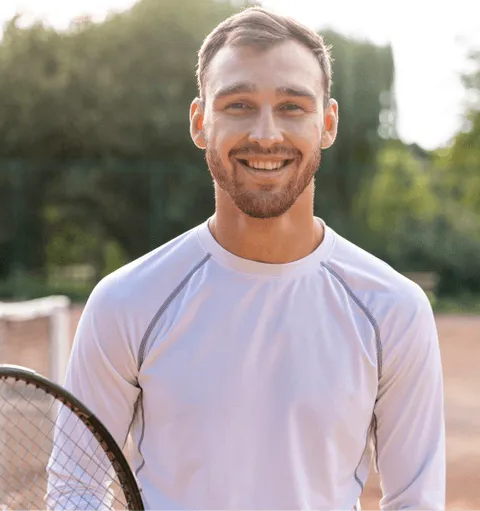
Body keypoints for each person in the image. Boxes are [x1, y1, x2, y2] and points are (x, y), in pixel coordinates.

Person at [47, 6, 446, 510]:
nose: (265, 134)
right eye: (238, 105)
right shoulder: (127, 302)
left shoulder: (394, 310)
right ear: (199, 122)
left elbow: (417, 502)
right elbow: (75, 488)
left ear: (328, 122)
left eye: (292, 107)